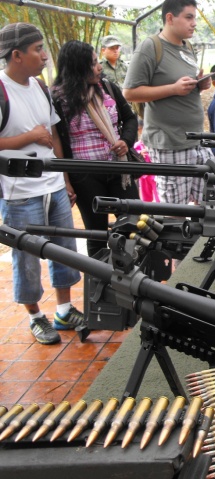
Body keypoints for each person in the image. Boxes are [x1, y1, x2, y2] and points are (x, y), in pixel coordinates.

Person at [0, 23, 83, 345]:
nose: (45, 56)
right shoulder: (2, 89)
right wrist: (28, 138)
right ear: (17, 55)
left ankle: (64, 309)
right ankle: (36, 316)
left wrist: (64, 178)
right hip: (19, 193)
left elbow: (54, 133)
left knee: (65, 250)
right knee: (27, 257)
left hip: (52, 186)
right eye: (37, 50)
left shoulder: (39, 86)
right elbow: (37, 135)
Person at [52, 40, 140, 259]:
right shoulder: (57, 100)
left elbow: (130, 118)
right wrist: (66, 180)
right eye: (92, 64)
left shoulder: (108, 88)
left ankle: (130, 279)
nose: (99, 67)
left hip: (120, 171)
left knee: (131, 226)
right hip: (86, 175)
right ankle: (100, 286)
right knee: (96, 233)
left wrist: (126, 141)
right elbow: (58, 143)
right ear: (76, 67)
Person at [123, 0, 214, 205]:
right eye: (189, 17)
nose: (194, 23)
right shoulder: (150, 47)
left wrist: (199, 84)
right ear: (170, 18)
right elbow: (129, 92)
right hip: (170, 144)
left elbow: (181, 85)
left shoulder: (187, 46)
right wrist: (173, 88)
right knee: (175, 212)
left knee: (207, 206)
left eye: (195, 18)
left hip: (196, 140)